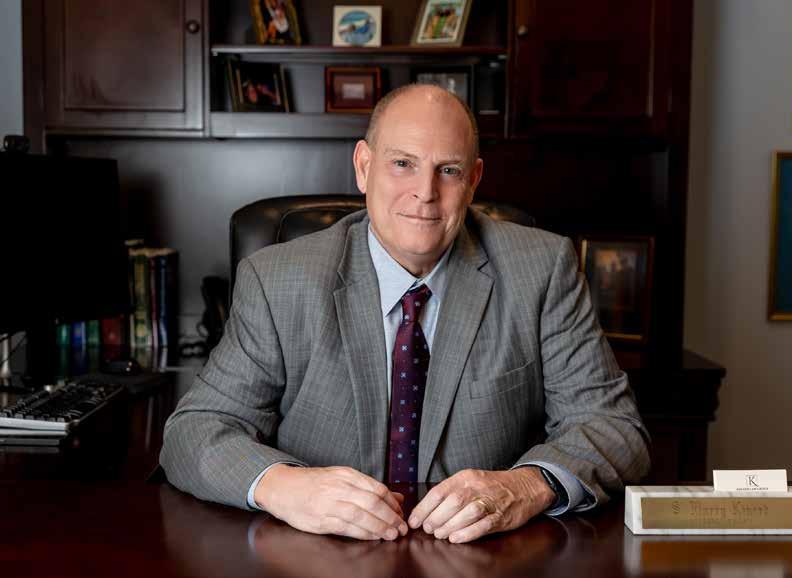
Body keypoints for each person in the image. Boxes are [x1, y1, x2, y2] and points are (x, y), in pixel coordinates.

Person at [160, 84, 650, 544]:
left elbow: (614, 428)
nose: (425, 192)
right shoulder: (277, 280)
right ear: (363, 166)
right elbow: (194, 430)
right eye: (402, 164)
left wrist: (524, 486)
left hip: (481, 555)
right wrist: (285, 487)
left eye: (449, 170)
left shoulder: (541, 271)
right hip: (318, 554)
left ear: (474, 180)